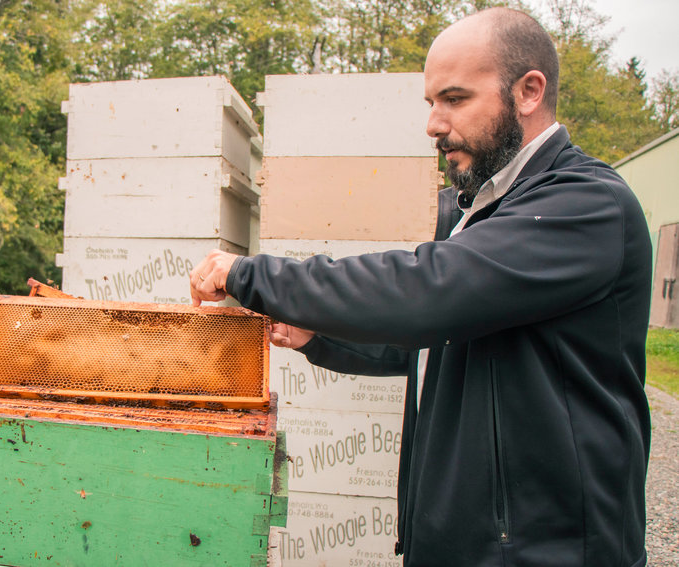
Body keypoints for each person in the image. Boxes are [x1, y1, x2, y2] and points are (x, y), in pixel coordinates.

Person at [190, 7, 651, 567]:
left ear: (529, 91)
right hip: (460, 543)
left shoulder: (585, 204)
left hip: (545, 551)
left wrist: (251, 274)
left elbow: (427, 292)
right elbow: (441, 342)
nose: (433, 124)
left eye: (454, 99)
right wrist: (316, 335)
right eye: (431, 103)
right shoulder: (479, 210)